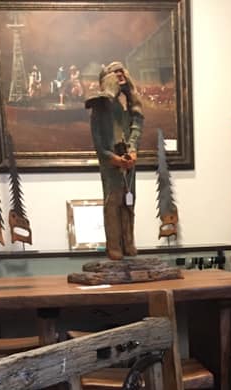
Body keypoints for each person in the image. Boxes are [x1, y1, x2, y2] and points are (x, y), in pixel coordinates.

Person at [85, 61, 144, 260]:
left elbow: (137, 126)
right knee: (113, 202)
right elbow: (99, 144)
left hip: (128, 160)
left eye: (122, 72)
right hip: (111, 162)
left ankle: (128, 242)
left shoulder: (129, 104)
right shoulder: (99, 108)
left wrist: (132, 151)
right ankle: (114, 246)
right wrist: (113, 159)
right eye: (115, 73)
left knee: (129, 202)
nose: (121, 76)